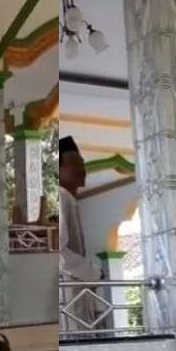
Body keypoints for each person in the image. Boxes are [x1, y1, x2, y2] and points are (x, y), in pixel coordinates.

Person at [42, 136, 101, 332]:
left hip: (75, 290)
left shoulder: (68, 198)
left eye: (82, 162)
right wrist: (93, 272)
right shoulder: (62, 195)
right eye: (75, 162)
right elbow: (60, 250)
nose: (82, 168)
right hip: (69, 291)